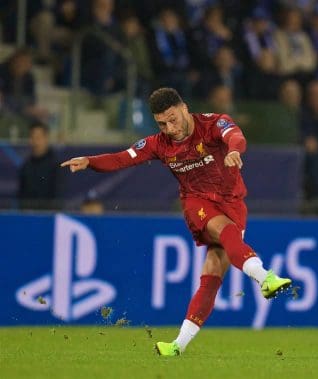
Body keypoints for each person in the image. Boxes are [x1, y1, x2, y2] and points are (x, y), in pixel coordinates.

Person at [61, 87, 292, 356]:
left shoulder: (213, 123)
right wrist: (90, 161)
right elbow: (123, 158)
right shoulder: (158, 144)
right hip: (197, 202)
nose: (169, 128)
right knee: (224, 231)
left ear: (184, 108)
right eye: (162, 123)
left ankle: (177, 346)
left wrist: (234, 150)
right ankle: (266, 277)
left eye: (173, 119)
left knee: (213, 271)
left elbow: (235, 135)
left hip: (232, 201)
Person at [18, 122, 61, 210]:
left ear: (46, 138)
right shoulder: (26, 166)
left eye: (38, 138)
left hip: (49, 217)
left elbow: (58, 196)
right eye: (32, 138)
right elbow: (21, 195)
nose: (35, 142)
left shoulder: (56, 165)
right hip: (28, 217)